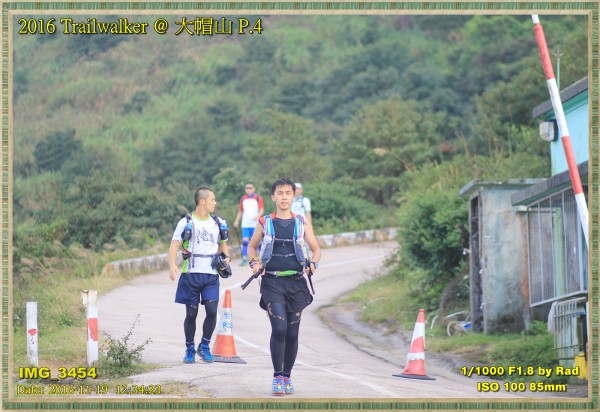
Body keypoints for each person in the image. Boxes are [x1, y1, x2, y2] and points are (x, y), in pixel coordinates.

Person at [247, 178, 321, 396]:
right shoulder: (265, 222)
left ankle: (287, 376)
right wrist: (255, 263)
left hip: (297, 283)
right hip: (272, 282)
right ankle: (277, 376)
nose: (284, 197)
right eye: (280, 193)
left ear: (293, 196)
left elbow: (316, 249)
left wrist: (313, 264)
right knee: (279, 329)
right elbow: (252, 247)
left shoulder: (301, 222)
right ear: (273, 197)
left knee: (292, 333)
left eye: (288, 193)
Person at [168, 187, 231, 364]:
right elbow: (174, 245)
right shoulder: (186, 222)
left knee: (212, 312)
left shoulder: (218, 222)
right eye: (212, 199)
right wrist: (172, 265)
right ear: (202, 201)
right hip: (191, 274)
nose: (215, 203)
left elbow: (223, 245)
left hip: (211, 275)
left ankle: (204, 346)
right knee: (191, 314)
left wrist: (226, 258)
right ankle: (189, 348)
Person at [233, 182, 264, 266]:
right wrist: (236, 221)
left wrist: (258, 215)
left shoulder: (258, 198)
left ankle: (262, 258)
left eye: (250, 188)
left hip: (255, 224)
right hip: (245, 224)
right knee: (245, 242)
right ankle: (244, 259)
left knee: (258, 242)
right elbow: (240, 211)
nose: (248, 189)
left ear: (253, 189)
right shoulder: (243, 199)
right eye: (247, 188)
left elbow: (261, 210)